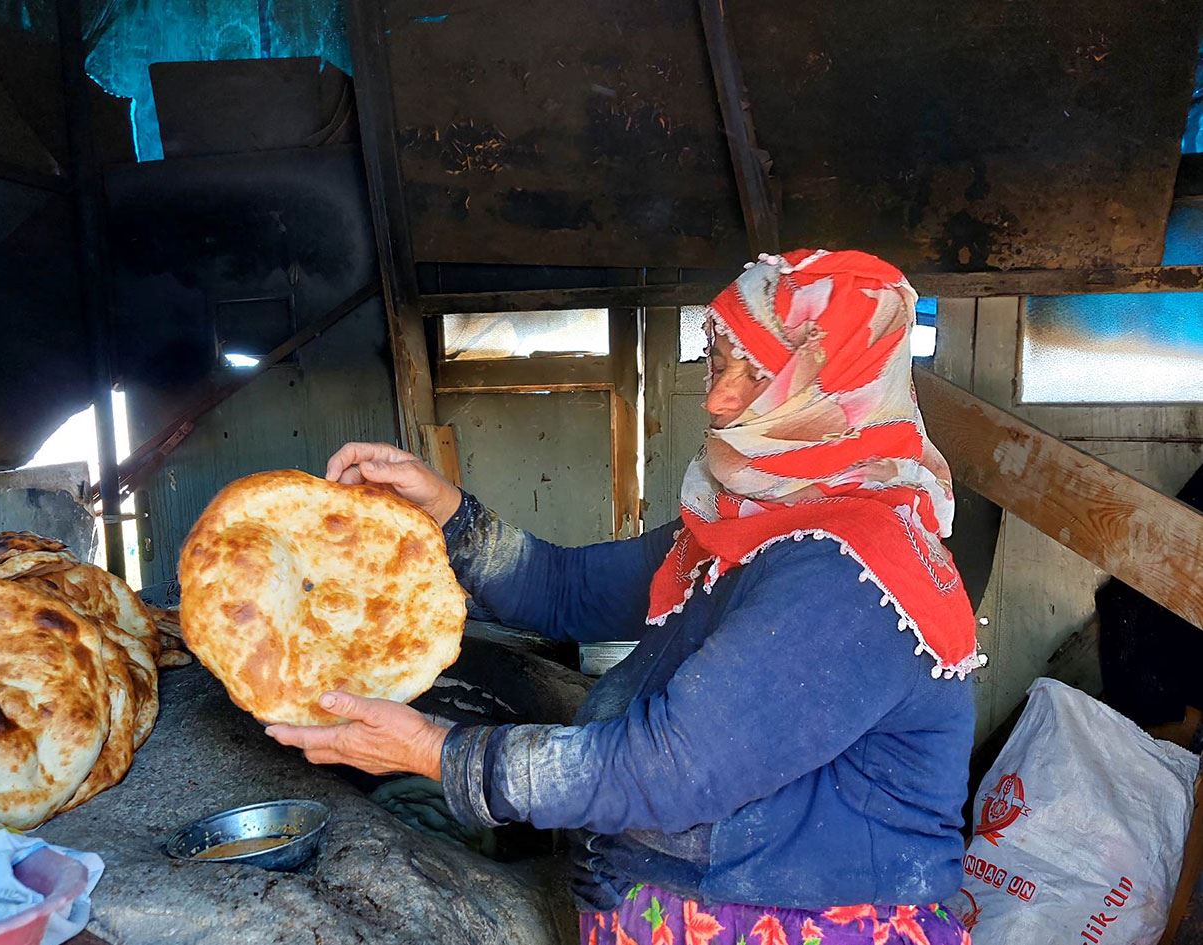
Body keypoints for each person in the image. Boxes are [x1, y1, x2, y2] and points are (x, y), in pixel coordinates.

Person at [268, 249, 982, 945]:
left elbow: (671, 769)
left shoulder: (851, 567)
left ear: (840, 387)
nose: (720, 397)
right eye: (719, 360)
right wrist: (447, 512)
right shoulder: (747, 525)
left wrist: (435, 752)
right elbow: (566, 590)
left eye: (759, 371)